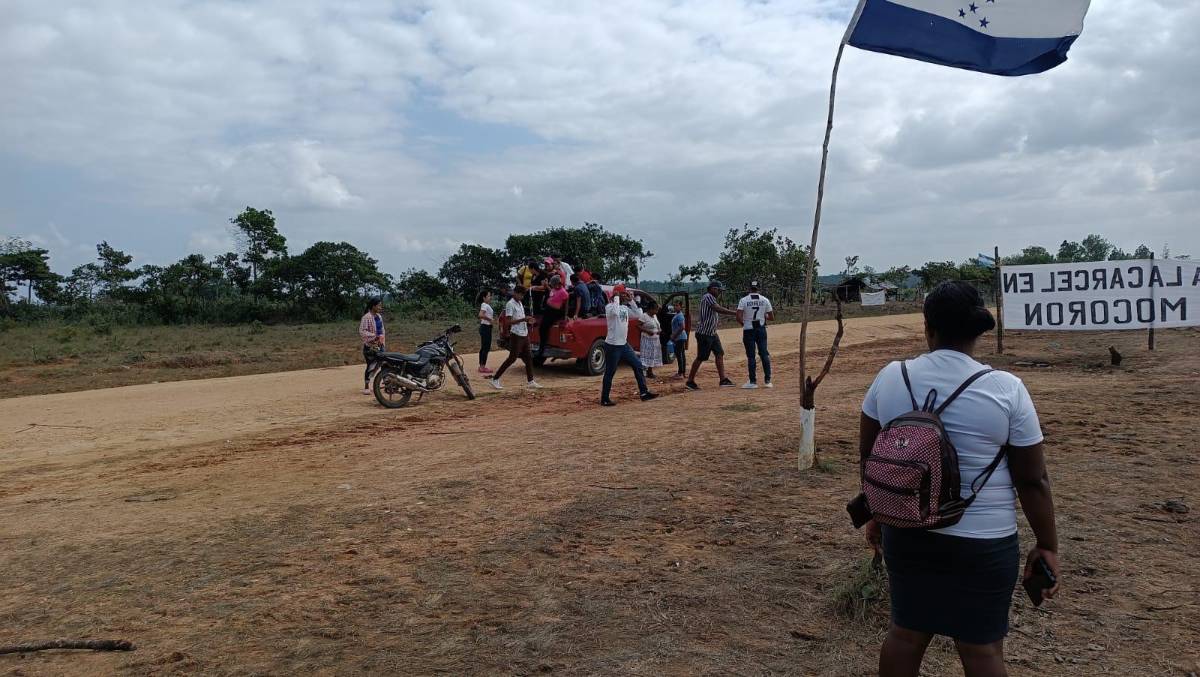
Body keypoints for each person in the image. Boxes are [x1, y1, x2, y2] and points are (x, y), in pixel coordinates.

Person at [860, 281, 1059, 677]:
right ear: (978, 332)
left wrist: (876, 513)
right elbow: (1032, 479)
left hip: (908, 530)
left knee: (905, 635)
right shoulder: (1006, 390)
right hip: (983, 543)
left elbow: (870, 457)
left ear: (927, 327)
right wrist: (1047, 545)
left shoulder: (890, 377)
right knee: (981, 649)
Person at [600, 285, 659, 406]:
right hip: (613, 345)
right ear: (617, 294)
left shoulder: (624, 308)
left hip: (623, 344)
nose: (625, 295)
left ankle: (644, 393)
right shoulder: (610, 307)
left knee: (638, 365)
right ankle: (604, 399)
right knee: (610, 372)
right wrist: (616, 297)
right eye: (623, 293)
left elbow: (638, 313)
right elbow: (615, 313)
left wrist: (631, 300)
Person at [686, 281, 737, 390]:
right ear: (712, 289)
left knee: (719, 354)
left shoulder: (710, 297)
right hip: (705, 333)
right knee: (701, 357)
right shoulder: (708, 297)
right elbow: (717, 308)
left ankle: (723, 379)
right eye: (718, 290)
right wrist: (734, 313)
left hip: (711, 333)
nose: (719, 292)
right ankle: (690, 380)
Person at [490, 286, 543, 390]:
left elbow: (521, 318)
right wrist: (524, 319)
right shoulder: (510, 304)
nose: (521, 297)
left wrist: (528, 320)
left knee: (528, 357)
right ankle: (495, 379)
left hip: (524, 333)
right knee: (512, 358)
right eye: (520, 294)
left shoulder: (520, 303)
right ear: (515, 293)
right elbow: (508, 322)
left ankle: (530, 380)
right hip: (516, 335)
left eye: (523, 295)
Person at [736, 281, 775, 389]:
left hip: (748, 330)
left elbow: (738, 316)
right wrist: (764, 316)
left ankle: (752, 381)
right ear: (759, 288)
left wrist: (744, 324)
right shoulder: (765, 300)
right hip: (761, 329)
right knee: (764, 354)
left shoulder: (743, 300)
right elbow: (772, 317)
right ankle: (767, 381)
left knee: (751, 356)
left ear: (749, 288)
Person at [532, 274, 569, 362]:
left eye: (553, 284)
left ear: (557, 284)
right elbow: (551, 291)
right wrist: (547, 286)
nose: (552, 286)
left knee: (543, 328)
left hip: (554, 312)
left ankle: (542, 347)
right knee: (540, 323)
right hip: (548, 310)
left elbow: (566, 305)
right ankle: (541, 344)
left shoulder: (564, 292)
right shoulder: (554, 289)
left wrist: (565, 316)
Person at [358, 297, 386, 395]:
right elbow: (362, 331)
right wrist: (374, 337)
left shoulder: (379, 316)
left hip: (380, 344)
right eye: (378, 305)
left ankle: (385, 382)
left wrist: (381, 340)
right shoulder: (366, 317)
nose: (380, 307)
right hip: (370, 346)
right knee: (371, 365)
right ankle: (366, 386)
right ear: (373, 306)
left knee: (384, 362)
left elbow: (382, 330)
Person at [638, 298, 663, 379]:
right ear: (651, 309)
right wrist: (647, 331)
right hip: (647, 339)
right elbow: (638, 326)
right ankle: (643, 372)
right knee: (646, 355)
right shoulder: (644, 316)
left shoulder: (654, 316)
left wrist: (659, 330)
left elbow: (657, 325)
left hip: (655, 340)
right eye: (656, 310)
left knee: (652, 355)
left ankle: (650, 372)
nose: (657, 312)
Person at [477, 290, 495, 375]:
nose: (490, 297)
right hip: (485, 328)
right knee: (486, 348)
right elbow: (480, 315)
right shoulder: (484, 305)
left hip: (485, 327)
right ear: (484, 298)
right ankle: (482, 366)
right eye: (488, 296)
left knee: (484, 347)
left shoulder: (486, 305)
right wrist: (490, 319)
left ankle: (481, 366)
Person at [670, 304, 688, 379]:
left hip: (679, 337)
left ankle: (680, 373)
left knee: (679, 355)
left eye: (677, 306)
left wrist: (674, 335)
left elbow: (682, 327)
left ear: (681, 307)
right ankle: (682, 372)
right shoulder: (677, 315)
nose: (675, 307)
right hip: (680, 337)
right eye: (675, 305)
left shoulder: (680, 315)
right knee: (681, 354)